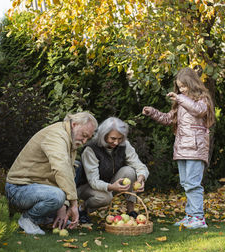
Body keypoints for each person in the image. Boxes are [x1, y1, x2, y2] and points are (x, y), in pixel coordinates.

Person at [142, 67, 215, 229]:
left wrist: (180, 98)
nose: (182, 90)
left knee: (193, 184)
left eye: (184, 86)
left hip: (196, 147)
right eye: (179, 87)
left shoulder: (203, 99)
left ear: (192, 83)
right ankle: (190, 215)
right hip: (181, 147)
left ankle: (198, 218)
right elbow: (169, 119)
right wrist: (152, 112)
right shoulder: (181, 102)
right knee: (185, 182)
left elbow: (199, 111)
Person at [5, 112, 98, 235]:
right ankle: (28, 219)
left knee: (75, 167)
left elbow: (67, 173)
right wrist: (73, 204)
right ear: (74, 124)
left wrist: (64, 206)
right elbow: (61, 169)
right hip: (18, 189)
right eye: (84, 135)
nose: (84, 141)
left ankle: (45, 218)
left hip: (37, 188)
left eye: (88, 138)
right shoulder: (56, 135)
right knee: (56, 196)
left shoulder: (69, 138)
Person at [77, 117, 149, 223]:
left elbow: (140, 166)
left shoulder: (124, 145)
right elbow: (93, 181)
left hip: (111, 183)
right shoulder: (91, 149)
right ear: (103, 135)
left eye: (120, 139)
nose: (116, 142)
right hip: (87, 186)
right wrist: (111, 187)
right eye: (113, 138)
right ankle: (83, 208)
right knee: (105, 198)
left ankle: (131, 211)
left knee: (129, 171)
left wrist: (141, 179)